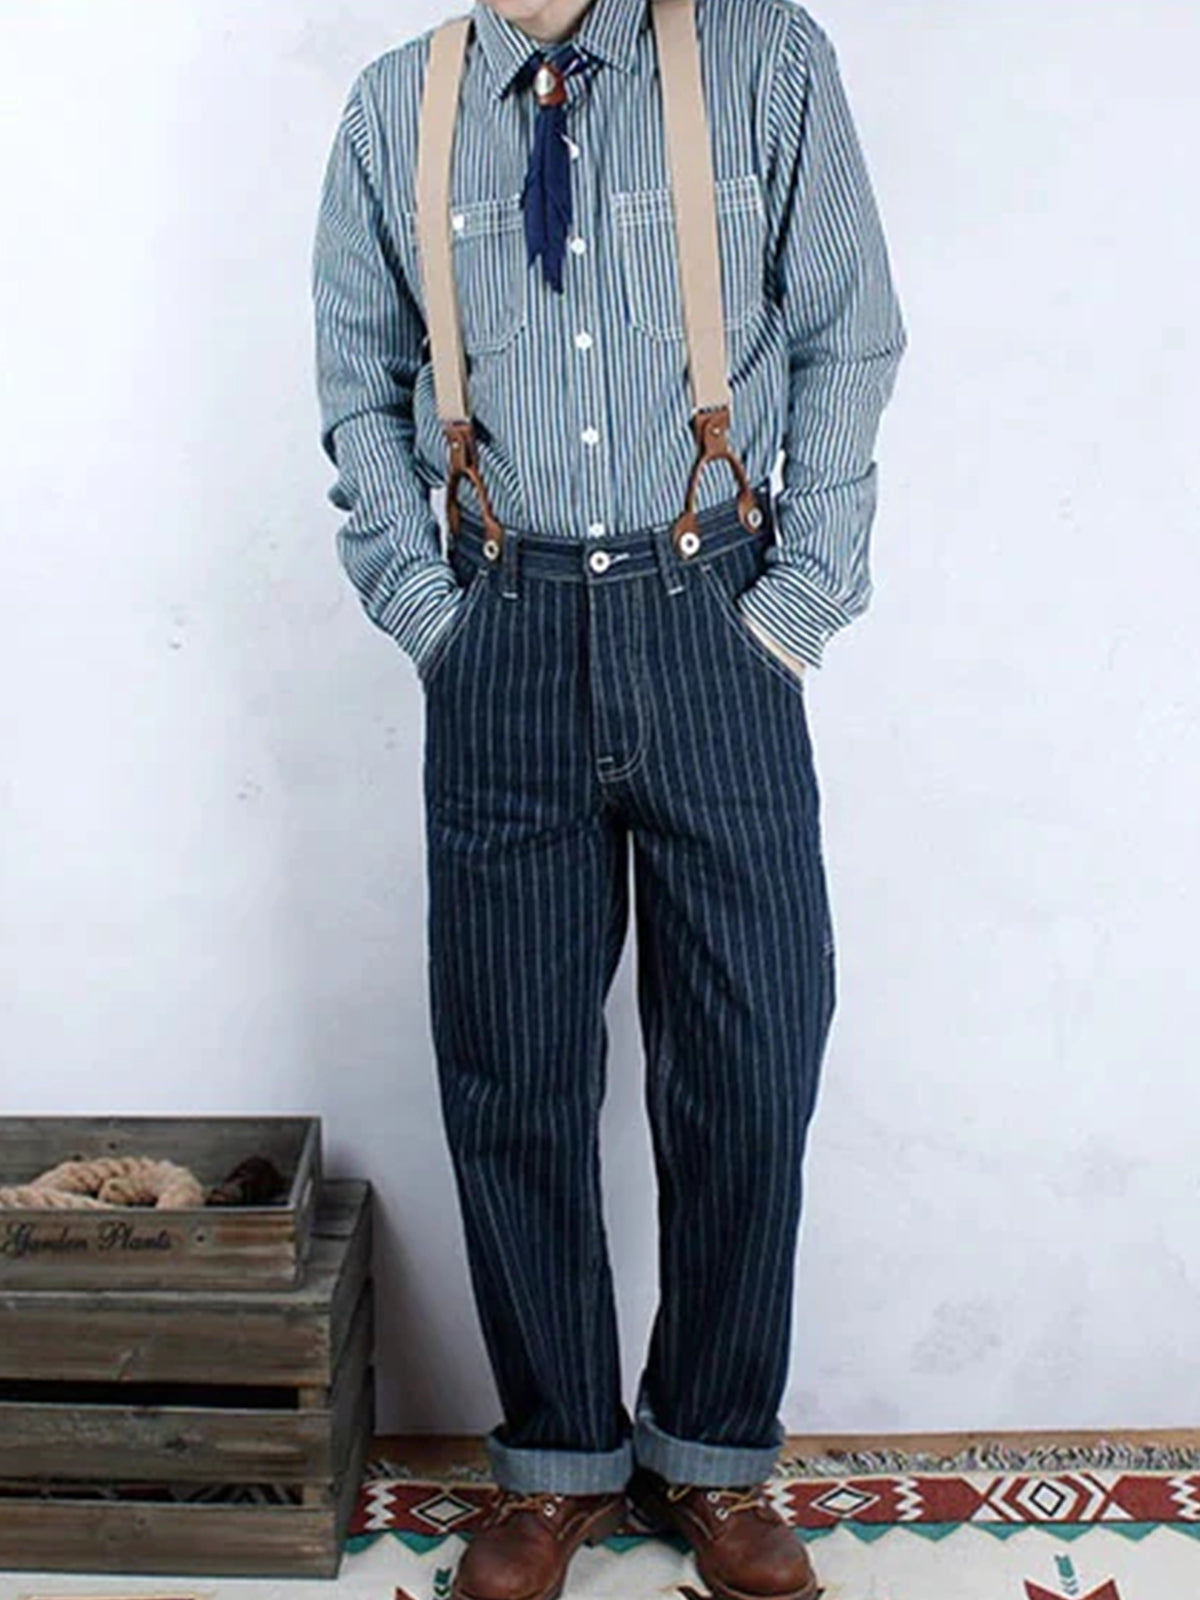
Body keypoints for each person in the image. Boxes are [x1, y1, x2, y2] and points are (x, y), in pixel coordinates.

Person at [311, 0, 906, 1595]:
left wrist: (797, 602)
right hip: (500, 628)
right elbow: (359, 385)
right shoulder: (394, 106)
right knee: (511, 1070)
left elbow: (850, 332)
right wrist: (431, 615)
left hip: (716, 614)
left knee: (751, 1058)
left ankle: (712, 1451)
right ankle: (556, 1458)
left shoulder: (766, 60)